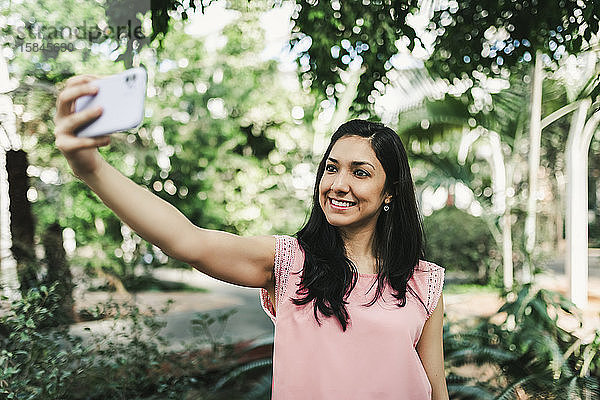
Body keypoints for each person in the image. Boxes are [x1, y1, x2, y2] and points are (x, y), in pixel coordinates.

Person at [54, 74, 449, 400]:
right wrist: (92, 169)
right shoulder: (291, 262)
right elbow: (185, 240)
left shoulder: (423, 281)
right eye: (331, 168)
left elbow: (435, 389)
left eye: (360, 172)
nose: (338, 184)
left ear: (390, 192)